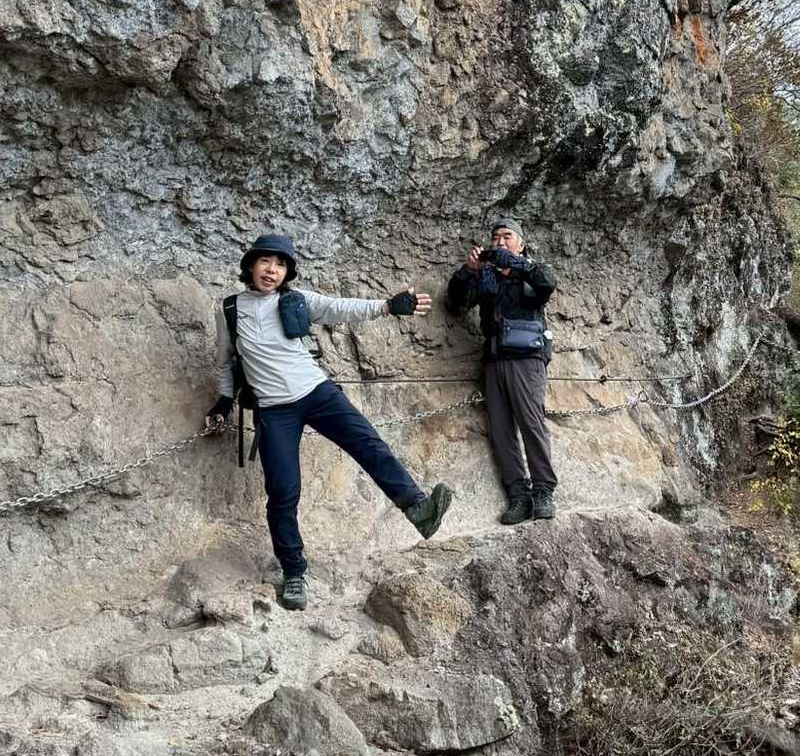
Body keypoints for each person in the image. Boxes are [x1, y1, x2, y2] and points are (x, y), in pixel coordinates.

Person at [206, 233, 453, 610]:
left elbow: (339, 308)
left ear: (287, 272)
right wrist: (224, 402)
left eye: (281, 264)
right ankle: (293, 573)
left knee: (369, 444)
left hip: (317, 393)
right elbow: (226, 361)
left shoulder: (295, 300)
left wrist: (387, 306)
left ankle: (418, 508)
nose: (272, 270)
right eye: (265, 261)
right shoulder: (230, 309)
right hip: (274, 410)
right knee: (283, 492)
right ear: (250, 265)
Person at [445, 217, 558, 525]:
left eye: (507, 236)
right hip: (495, 360)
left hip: (527, 359)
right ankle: (519, 496)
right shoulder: (487, 275)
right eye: (496, 237)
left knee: (531, 423)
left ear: (521, 243)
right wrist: (468, 270)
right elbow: (457, 300)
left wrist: (515, 263)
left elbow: (547, 284)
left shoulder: (529, 272)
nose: (500, 242)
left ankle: (543, 492)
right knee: (501, 430)